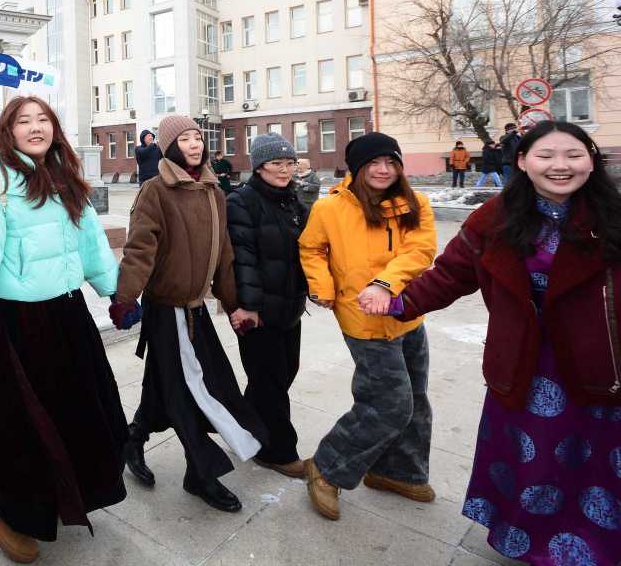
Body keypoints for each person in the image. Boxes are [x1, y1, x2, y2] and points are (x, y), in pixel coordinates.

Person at [365, 121, 621, 565]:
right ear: (522, 160)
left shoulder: (613, 216)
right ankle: (531, 545)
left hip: (600, 363)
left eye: (574, 155)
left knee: (597, 464)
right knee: (533, 461)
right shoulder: (495, 219)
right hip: (524, 361)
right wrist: (397, 302)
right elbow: (450, 275)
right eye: (545, 155)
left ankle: (596, 547)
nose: (560, 166)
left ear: (591, 160)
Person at [0, 95, 124, 563]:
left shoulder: (67, 179)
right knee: (25, 424)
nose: (35, 127)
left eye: (43, 119)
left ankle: (60, 495)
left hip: (68, 314)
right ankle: (4, 511)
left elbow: (92, 244)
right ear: (8, 133)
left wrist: (117, 294)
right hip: (18, 323)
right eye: (23, 121)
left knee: (80, 411)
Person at [115, 115, 268, 514]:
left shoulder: (213, 191)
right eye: (185, 139)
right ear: (170, 147)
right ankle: (201, 473)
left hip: (195, 310)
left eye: (198, 137)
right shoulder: (155, 190)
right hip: (167, 309)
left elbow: (224, 256)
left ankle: (134, 435)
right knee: (192, 389)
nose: (195, 144)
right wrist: (125, 297)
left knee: (170, 383)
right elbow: (140, 249)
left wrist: (234, 305)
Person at [297, 132, 438, 521]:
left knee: (416, 400)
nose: (383, 170)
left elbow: (420, 250)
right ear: (357, 168)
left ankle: (396, 471)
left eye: (391, 162)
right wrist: (322, 287)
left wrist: (385, 284)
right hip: (362, 319)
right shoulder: (329, 208)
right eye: (374, 162)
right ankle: (326, 468)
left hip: (407, 314)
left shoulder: (415, 204)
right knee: (389, 404)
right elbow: (311, 248)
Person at [225, 133, 310, 480]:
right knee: (270, 382)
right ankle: (278, 452)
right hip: (257, 312)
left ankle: (245, 424)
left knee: (282, 374)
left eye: (290, 163)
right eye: (276, 163)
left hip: (289, 306)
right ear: (259, 167)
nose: (285, 170)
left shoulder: (292, 201)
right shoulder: (240, 201)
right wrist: (248, 306)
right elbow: (242, 257)